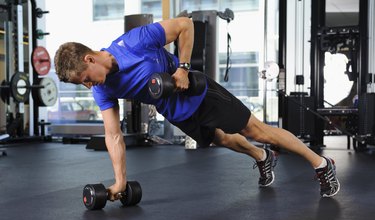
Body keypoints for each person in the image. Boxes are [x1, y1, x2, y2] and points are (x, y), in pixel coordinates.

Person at [54, 17, 340, 201]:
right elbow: (113, 135)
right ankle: (262, 156)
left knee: (257, 130)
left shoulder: (135, 42)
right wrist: (120, 181)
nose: (89, 87)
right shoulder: (104, 88)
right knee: (222, 138)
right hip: (176, 110)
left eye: (86, 80)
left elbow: (185, 25)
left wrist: (183, 67)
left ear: (90, 59)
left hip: (198, 92)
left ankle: (321, 164)